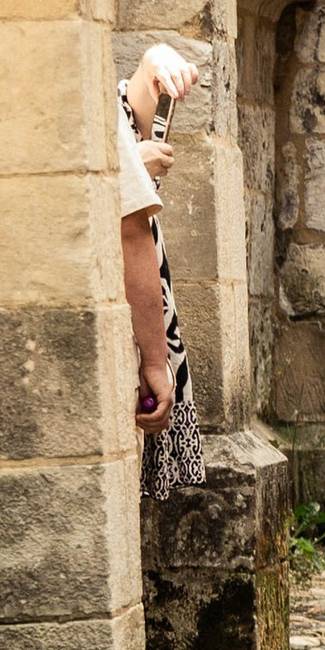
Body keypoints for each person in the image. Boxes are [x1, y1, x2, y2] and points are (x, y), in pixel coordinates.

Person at [119, 42, 203, 495]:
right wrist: (156, 362)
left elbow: (133, 104)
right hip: (133, 321)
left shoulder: (109, 107)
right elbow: (131, 232)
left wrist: (155, 59)